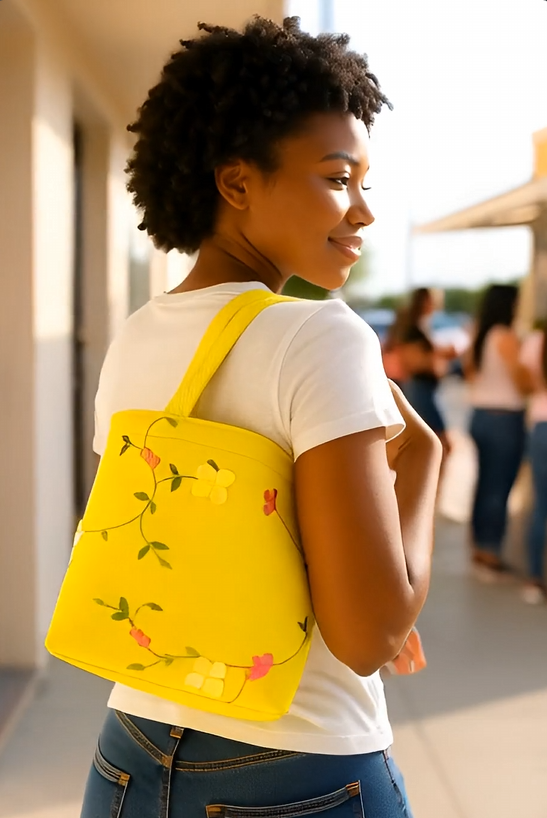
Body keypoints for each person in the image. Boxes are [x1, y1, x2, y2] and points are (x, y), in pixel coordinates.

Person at [80, 18, 442, 818]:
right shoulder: (318, 332)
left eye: (363, 184)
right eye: (336, 178)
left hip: (129, 755)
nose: (361, 212)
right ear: (237, 183)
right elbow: (366, 638)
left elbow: (197, 548)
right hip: (300, 769)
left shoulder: (136, 337)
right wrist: (424, 460)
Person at [465, 285, 532, 581]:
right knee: (499, 486)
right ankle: (490, 549)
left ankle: (479, 544)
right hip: (504, 418)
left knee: (484, 483)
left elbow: (469, 374)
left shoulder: (478, 336)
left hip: (480, 415)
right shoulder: (505, 336)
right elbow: (523, 382)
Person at [391, 288, 455, 457]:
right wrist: (435, 361)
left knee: (434, 445)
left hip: (423, 388)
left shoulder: (419, 325)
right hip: (419, 388)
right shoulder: (413, 328)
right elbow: (411, 361)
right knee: (438, 444)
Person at [519, 321, 547, 603]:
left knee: (541, 505)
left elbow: (524, 383)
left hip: (542, 425)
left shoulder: (537, 340)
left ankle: (534, 579)